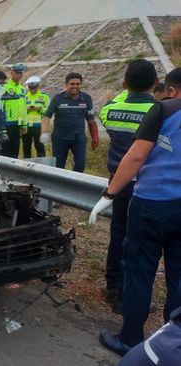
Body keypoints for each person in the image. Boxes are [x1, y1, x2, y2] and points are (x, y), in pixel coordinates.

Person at [89, 68, 181, 356]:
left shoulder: (163, 110)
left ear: (174, 90)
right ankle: (173, 342)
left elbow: (137, 155)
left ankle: (130, 339)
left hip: (152, 204)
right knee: (178, 276)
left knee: (140, 272)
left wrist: (109, 193)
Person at [98, 59, 158, 314]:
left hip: (118, 181)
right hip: (146, 184)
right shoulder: (160, 111)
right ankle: (126, 296)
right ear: (156, 83)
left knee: (118, 234)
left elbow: (106, 111)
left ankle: (113, 286)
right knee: (140, 241)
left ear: (125, 84)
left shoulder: (110, 110)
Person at [40, 72, 99, 172]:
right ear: (66, 85)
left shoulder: (87, 98)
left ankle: (73, 184)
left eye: (78, 84)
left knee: (80, 165)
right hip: (60, 139)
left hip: (79, 138)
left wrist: (95, 137)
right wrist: (44, 132)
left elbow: (91, 120)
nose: (75, 86)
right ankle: (59, 186)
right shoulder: (57, 98)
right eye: (72, 84)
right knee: (59, 167)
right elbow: (46, 116)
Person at [0, 63, 28, 158]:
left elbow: (23, 107)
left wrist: (24, 124)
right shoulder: (5, 87)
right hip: (7, 124)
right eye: (18, 72)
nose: (20, 74)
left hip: (18, 124)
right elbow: (1, 106)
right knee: (5, 150)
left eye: (21, 72)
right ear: (12, 72)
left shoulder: (22, 89)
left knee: (15, 150)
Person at [23, 76, 49, 158]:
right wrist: (25, 109)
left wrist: (39, 109)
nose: (32, 89)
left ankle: (42, 166)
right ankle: (26, 167)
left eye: (34, 87)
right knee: (26, 147)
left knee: (39, 147)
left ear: (38, 86)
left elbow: (48, 111)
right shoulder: (24, 97)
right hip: (26, 126)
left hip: (38, 125)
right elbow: (20, 110)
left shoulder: (44, 97)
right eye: (30, 88)